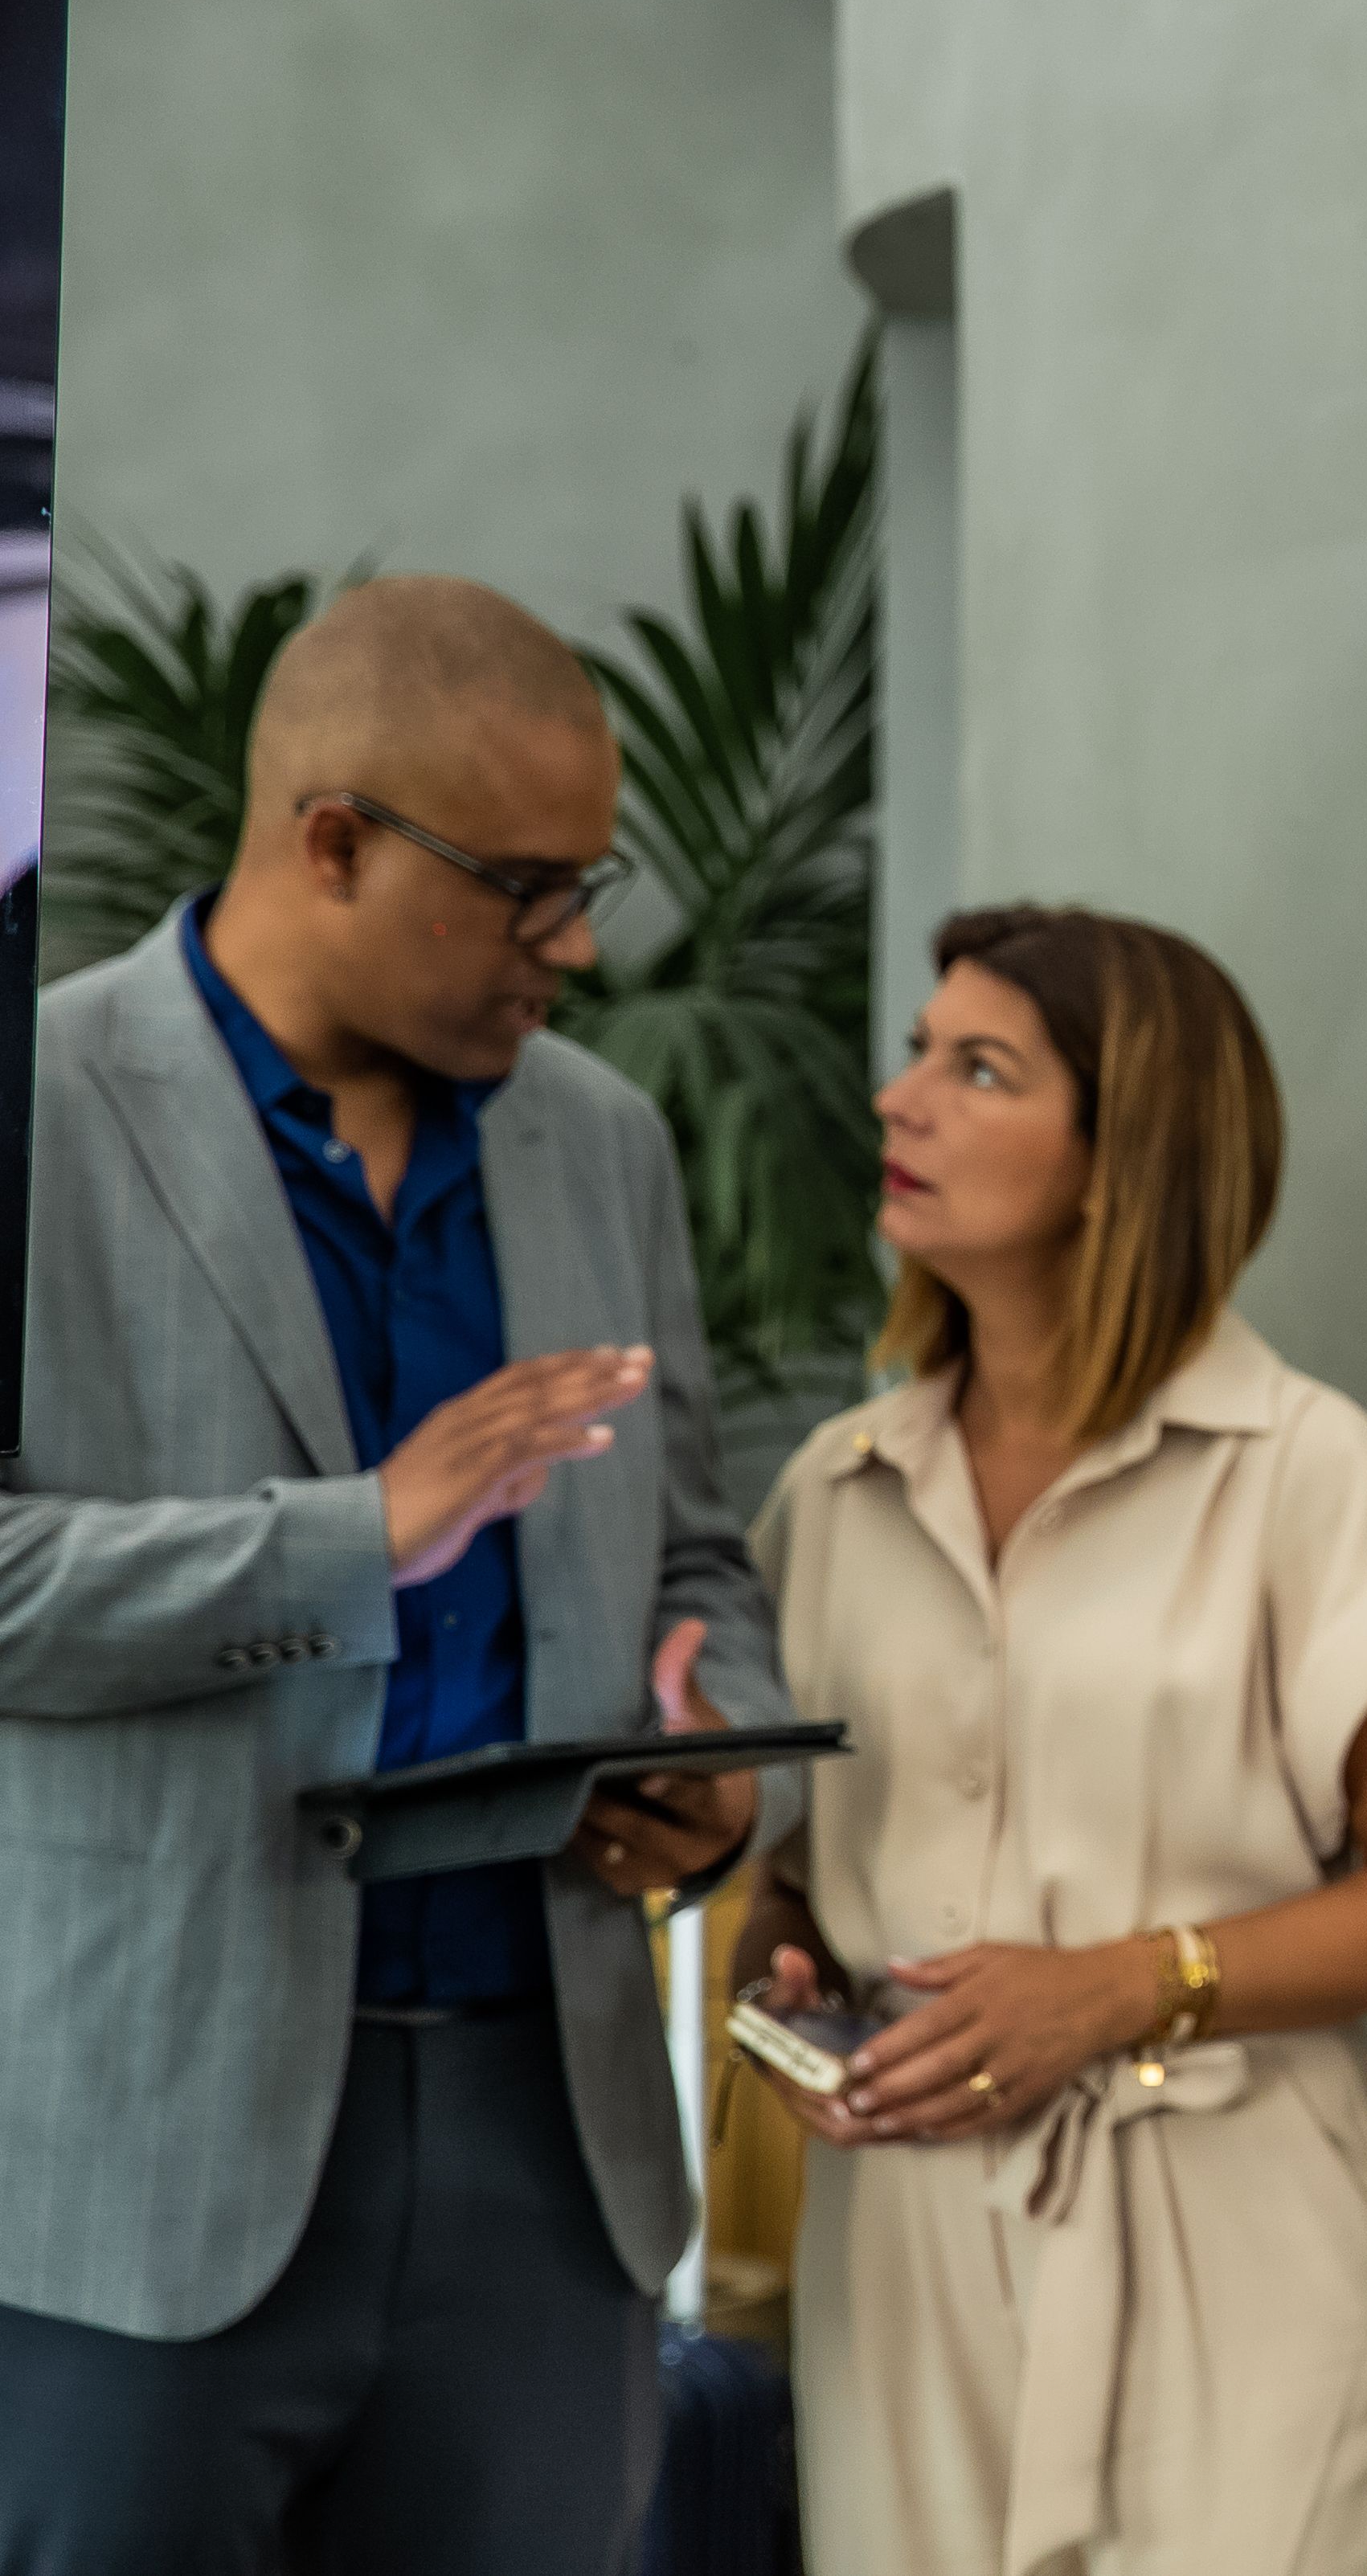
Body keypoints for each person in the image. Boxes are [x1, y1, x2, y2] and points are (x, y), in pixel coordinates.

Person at [0, 574, 796, 2571]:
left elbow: (697, 1549)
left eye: (585, 883)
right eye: (526, 889)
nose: (578, 946)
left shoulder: (600, 1139)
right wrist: (366, 1531)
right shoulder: (48, 1102)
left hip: (550, 2140)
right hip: (135, 2157)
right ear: (333, 839)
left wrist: (720, 1764)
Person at [734, 904, 1367, 2576]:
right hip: (903, 2253)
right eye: (918, 1052)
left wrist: (1123, 1983)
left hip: (1234, 2246)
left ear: (1121, 1154)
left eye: (978, 1068)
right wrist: (785, 1976)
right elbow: (787, 1862)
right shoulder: (833, 1494)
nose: (899, 1097)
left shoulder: (1303, 1471)